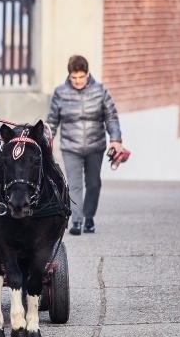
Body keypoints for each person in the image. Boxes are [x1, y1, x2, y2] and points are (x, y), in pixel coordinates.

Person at [46, 54, 123, 235]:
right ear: (69, 75)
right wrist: (46, 142)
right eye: (74, 78)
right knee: (74, 185)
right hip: (70, 147)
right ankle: (77, 221)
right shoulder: (61, 92)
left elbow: (111, 117)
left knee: (93, 183)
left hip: (95, 146)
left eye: (81, 77)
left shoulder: (100, 90)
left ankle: (89, 217)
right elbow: (52, 121)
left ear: (88, 74)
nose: (78, 81)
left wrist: (116, 139)